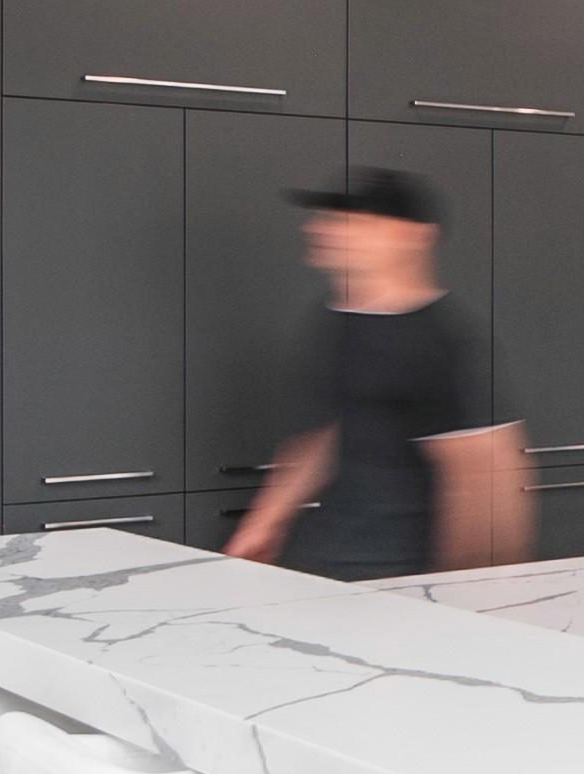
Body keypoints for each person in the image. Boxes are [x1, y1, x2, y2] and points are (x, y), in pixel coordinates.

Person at [224, 168, 530, 577]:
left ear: (414, 236)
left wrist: (471, 600)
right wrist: (262, 525)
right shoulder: (335, 319)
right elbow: (327, 435)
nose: (321, 228)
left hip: (405, 578)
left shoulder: (437, 335)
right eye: (326, 218)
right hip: (330, 564)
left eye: (351, 220)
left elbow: (487, 477)